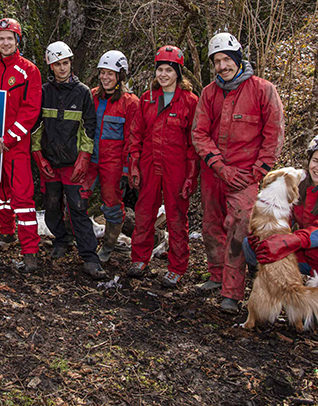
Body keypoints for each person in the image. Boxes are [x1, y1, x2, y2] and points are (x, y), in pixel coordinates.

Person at [191, 33, 285, 313]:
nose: (222, 66)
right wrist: (219, 166)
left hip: (245, 177)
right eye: (217, 61)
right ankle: (216, 276)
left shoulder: (263, 90)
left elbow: (273, 134)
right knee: (210, 226)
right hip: (213, 173)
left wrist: (257, 172)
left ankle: (231, 292)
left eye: (226, 59)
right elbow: (199, 133)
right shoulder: (209, 93)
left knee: (238, 230)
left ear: (238, 58)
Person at [244, 133, 318, 324]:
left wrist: (289, 241)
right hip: (304, 256)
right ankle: (268, 291)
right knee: (251, 246)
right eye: (316, 161)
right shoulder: (297, 188)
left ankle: (301, 299)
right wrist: (264, 236)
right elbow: (281, 216)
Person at [31, 41, 105, 279]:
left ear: (71, 63)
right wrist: (39, 157)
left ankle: (90, 258)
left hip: (73, 164)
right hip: (50, 164)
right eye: (57, 64)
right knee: (51, 207)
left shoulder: (83, 92)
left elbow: (89, 127)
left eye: (65, 63)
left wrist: (84, 159)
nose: (62, 68)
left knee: (79, 209)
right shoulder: (44, 92)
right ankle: (61, 241)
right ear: (50, 66)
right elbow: (36, 127)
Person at [127, 46, 199, 288]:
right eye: (160, 69)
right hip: (149, 164)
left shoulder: (189, 101)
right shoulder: (147, 98)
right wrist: (134, 165)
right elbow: (136, 133)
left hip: (176, 166)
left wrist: (191, 176)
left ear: (178, 72)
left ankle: (177, 266)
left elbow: (193, 143)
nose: (164, 74)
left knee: (177, 217)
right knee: (144, 213)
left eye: (169, 70)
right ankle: (139, 259)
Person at [0, 17, 42, 273]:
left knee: (23, 199)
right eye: (1, 38)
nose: (5, 42)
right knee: (0, 195)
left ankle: (30, 252)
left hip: (16, 147)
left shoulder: (29, 70)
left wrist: (11, 137)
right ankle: (6, 235)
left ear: (17, 41)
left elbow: (31, 110)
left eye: (9, 38)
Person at [81, 50, 139, 264]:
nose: (105, 77)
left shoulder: (130, 103)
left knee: (112, 205)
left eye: (110, 74)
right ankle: (78, 240)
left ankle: (108, 246)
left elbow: (132, 138)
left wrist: (127, 169)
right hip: (89, 160)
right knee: (77, 200)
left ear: (120, 76)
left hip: (113, 163)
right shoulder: (91, 95)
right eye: (103, 73)